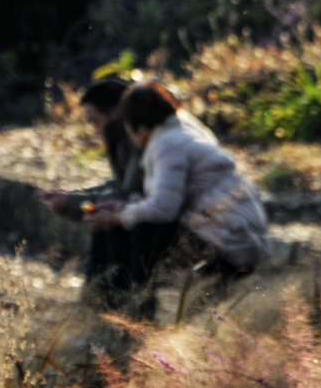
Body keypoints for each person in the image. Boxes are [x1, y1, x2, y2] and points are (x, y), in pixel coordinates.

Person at [84, 82, 270, 286]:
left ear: (140, 126)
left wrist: (119, 216)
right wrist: (122, 209)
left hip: (230, 243)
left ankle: (131, 298)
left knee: (130, 230)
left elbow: (163, 208)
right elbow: (164, 199)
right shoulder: (180, 130)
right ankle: (122, 295)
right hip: (238, 235)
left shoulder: (167, 144)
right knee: (127, 223)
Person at [37, 77, 179, 312]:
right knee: (104, 220)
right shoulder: (126, 139)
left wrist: (73, 203)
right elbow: (120, 188)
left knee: (113, 224)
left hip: (176, 224)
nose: (95, 131)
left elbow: (127, 194)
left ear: (116, 112)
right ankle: (100, 309)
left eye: (95, 121)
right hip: (161, 216)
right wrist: (72, 199)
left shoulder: (143, 139)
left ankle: (120, 311)